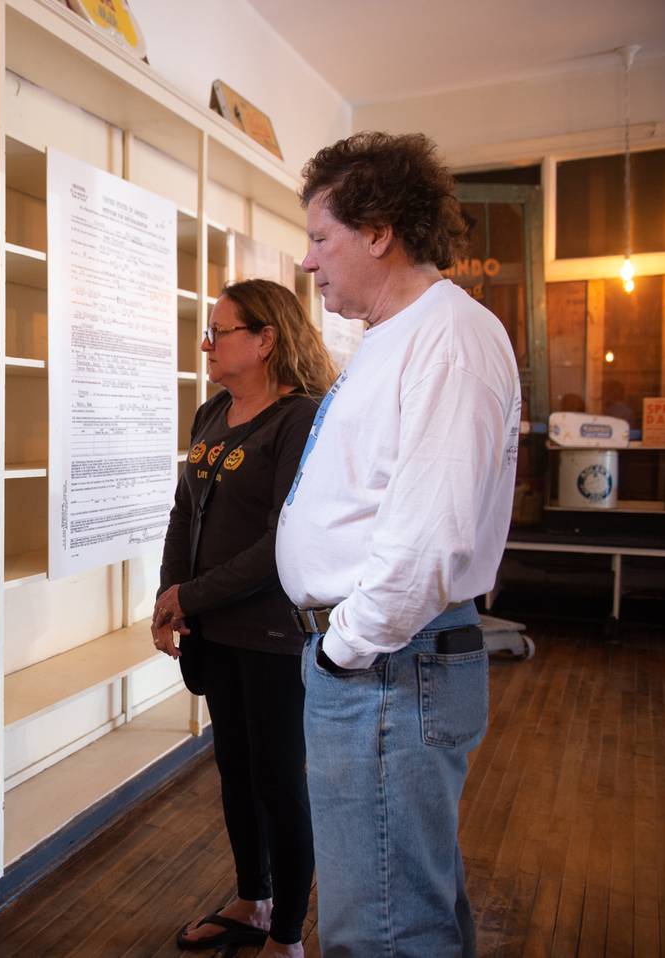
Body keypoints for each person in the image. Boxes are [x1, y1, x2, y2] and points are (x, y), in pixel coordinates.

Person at [276, 132, 522, 957]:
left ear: (379, 230)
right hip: (381, 661)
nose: (308, 262)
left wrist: (346, 647)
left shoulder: (448, 335)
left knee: (380, 929)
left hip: (386, 665)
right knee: (398, 899)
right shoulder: (399, 335)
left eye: (320, 237)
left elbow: (430, 537)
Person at [152, 278, 334, 957]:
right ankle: (251, 900)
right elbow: (184, 513)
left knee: (279, 778)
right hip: (215, 632)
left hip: (273, 635)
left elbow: (282, 543)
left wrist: (190, 598)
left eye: (219, 330)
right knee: (234, 768)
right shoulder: (210, 414)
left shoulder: (301, 419)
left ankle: (287, 934)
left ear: (265, 340)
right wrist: (170, 594)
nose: (206, 342)